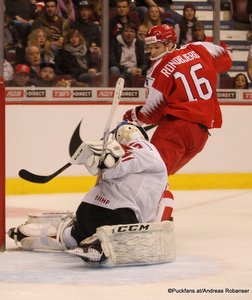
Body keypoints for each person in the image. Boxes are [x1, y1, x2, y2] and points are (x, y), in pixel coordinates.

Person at [8, 122, 174, 266]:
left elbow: (112, 170)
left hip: (87, 209)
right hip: (116, 214)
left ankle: (41, 234)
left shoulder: (137, 155)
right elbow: (121, 166)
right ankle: (99, 244)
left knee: (74, 235)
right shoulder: (146, 148)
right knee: (123, 240)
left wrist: (102, 160)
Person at [123, 24, 232, 203]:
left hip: (177, 129)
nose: (152, 52)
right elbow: (226, 60)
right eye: (150, 47)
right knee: (160, 175)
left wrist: (134, 115)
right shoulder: (199, 48)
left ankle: (148, 215)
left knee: (151, 174)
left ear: (170, 44)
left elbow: (152, 113)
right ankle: (153, 214)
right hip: (200, 134)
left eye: (157, 46)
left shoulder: (158, 70)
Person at [109, 22, 148, 86]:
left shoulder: (139, 44)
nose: (128, 34)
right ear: (122, 33)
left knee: (148, 70)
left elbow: (144, 61)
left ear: (135, 34)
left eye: (131, 31)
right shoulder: (114, 43)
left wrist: (140, 69)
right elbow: (112, 62)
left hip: (136, 70)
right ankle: (117, 89)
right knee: (114, 69)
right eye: (126, 31)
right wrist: (128, 70)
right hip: (121, 70)